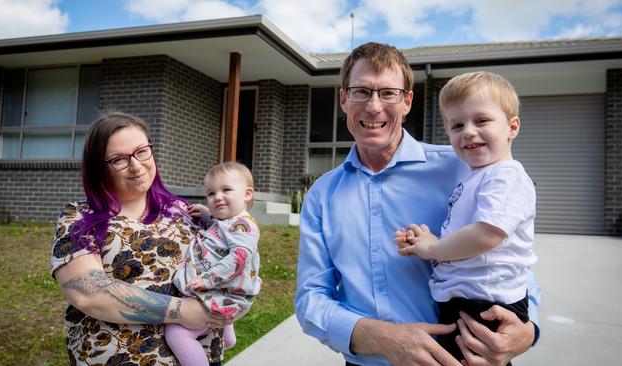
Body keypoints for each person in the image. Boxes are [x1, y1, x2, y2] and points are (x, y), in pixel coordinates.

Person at [295, 42, 541, 366]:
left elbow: (506, 256)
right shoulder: (321, 197)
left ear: (407, 101)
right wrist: (384, 339)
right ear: (343, 99)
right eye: (361, 91)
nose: (373, 107)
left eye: (388, 93)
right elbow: (311, 300)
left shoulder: (464, 168)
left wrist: (527, 328)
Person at [51, 112, 226, 365]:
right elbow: (88, 292)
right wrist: (180, 312)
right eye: (119, 159)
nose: (136, 165)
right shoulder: (78, 218)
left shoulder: (185, 211)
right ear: (99, 167)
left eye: (142, 151)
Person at [393, 71, 537, 363]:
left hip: (484, 307)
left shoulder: (506, 176)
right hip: (469, 302)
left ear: (512, 126)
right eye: (457, 125)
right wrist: (424, 241)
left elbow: (487, 235)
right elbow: (464, 237)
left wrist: (432, 248)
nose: (468, 131)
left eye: (481, 120)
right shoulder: (477, 177)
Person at [166, 162, 261, 366]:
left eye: (226, 190)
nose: (217, 197)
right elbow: (218, 236)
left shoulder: (244, 226)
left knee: (176, 334)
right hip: (223, 291)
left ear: (247, 194)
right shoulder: (230, 222)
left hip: (221, 290)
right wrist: (208, 215)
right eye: (211, 193)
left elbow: (238, 257)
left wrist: (208, 279)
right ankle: (228, 337)